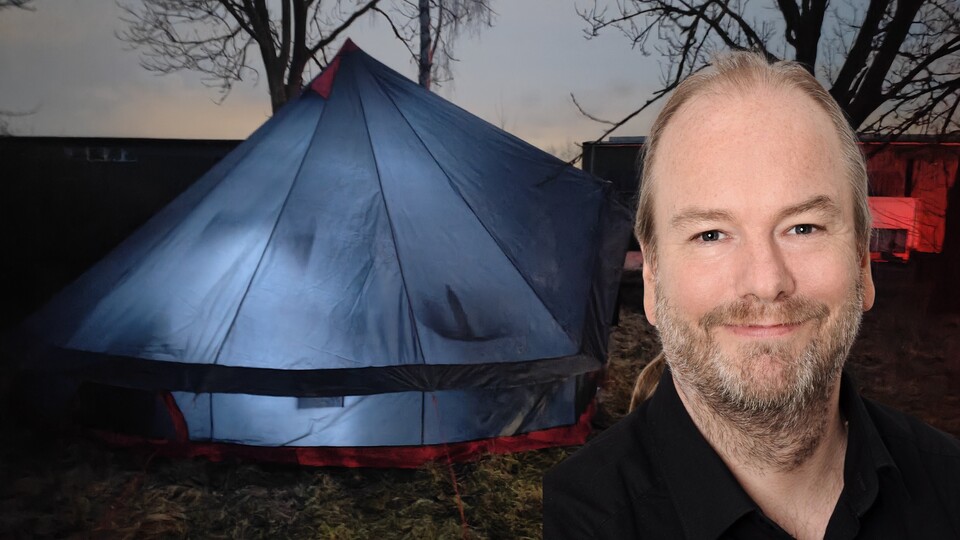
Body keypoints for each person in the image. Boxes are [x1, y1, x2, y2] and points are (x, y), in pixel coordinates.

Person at [543, 51, 960, 540]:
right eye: (711, 234)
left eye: (803, 227)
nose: (766, 282)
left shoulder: (950, 486)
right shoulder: (575, 520)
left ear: (862, 264)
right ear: (653, 280)